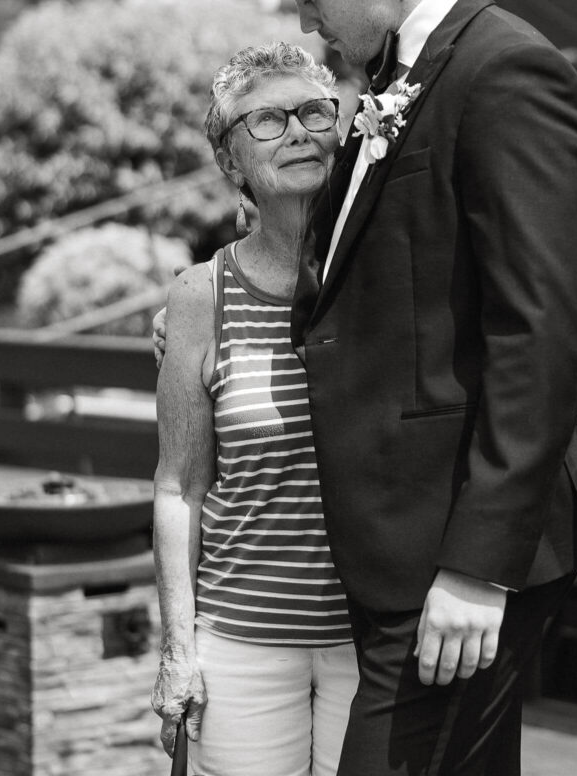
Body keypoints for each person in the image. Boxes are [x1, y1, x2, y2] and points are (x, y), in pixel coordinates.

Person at [248, 0, 577, 775]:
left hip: (456, 550)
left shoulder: (506, 73)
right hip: (404, 539)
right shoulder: (393, 80)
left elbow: (537, 333)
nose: (309, 26)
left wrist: (475, 567)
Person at [150, 43, 359, 776]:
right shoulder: (199, 297)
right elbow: (178, 487)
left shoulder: (384, 274)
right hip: (241, 639)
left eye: (313, 111)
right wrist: (179, 649)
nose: (299, 130)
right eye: (267, 120)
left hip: (373, 635)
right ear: (231, 161)